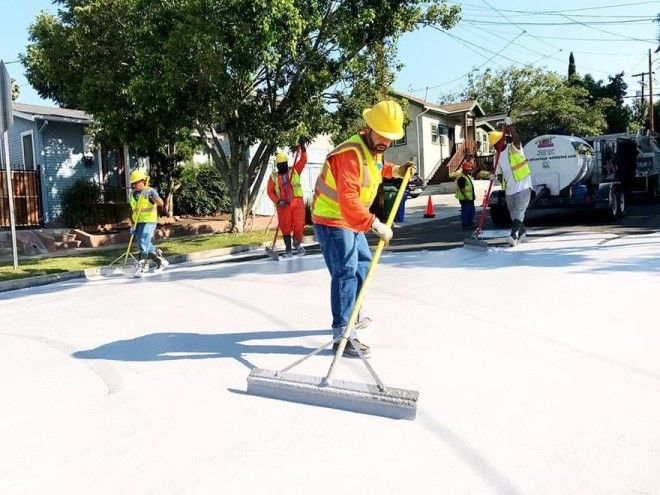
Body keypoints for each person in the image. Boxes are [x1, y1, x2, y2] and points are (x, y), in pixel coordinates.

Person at [312, 100, 413, 357]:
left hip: (352, 218)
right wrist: (376, 224)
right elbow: (349, 203)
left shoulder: (373, 149)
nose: (385, 142)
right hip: (333, 218)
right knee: (345, 271)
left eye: (390, 138)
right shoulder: (350, 154)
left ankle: (353, 313)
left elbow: (376, 170)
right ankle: (343, 334)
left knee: (363, 265)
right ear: (368, 127)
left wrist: (397, 170)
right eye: (382, 135)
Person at [490, 120, 532, 247]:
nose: (495, 147)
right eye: (494, 145)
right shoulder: (496, 157)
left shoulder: (513, 148)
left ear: (501, 140)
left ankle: (513, 236)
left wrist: (510, 127)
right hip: (510, 189)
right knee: (515, 215)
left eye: (496, 143)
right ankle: (523, 235)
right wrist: (493, 175)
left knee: (519, 211)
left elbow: (517, 139)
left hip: (523, 185)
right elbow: (498, 171)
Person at [267, 141, 308, 258]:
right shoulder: (273, 177)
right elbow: (270, 191)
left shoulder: (294, 170)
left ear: (286, 163)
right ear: (277, 165)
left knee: (299, 224)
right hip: (283, 205)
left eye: (283, 163)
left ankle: (297, 243)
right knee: (285, 227)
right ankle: (288, 250)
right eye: (279, 164)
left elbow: (303, 161)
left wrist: (303, 149)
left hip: (297, 203)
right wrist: (278, 201)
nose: (282, 166)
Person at [128, 170, 169, 277]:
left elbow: (160, 203)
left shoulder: (150, 191)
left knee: (143, 242)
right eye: (133, 183)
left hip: (149, 221)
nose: (134, 185)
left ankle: (141, 267)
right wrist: (132, 224)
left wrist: (151, 196)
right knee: (146, 245)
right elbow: (133, 210)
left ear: (143, 181)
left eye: (136, 183)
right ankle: (161, 261)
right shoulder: (132, 195)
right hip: (137, 222)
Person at [455, 157, 476, 230]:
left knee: (471, 211)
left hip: (470, 198)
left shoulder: (467, 176)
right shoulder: (462, 178)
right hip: (465, 199)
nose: (469, 171)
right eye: (468, 170)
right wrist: (466, 196)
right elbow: (462, 189)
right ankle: (466, 225)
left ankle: (470, 223)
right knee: (466, 212)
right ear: (464, 170)